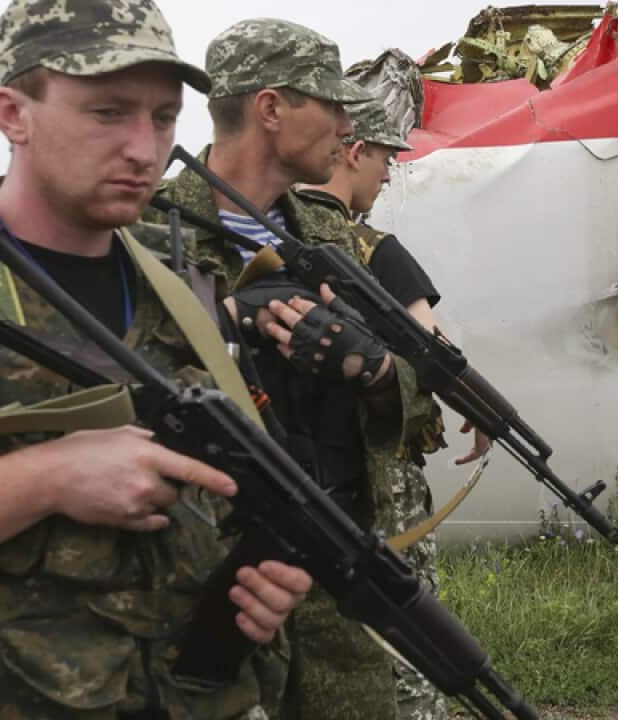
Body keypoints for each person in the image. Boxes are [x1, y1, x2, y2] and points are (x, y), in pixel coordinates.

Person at [0, 2, 310, 718]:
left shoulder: (187, 288)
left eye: (164, 118)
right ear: (12, 113)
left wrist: (259, 583)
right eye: (108, 112)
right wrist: (43, 479)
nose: (144, 147)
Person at [145, 19, 446, 720]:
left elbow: (420, 407)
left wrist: (373, 371)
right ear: (272, 109)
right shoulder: (151, 236)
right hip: (213, 602)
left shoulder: (331, 240)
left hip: (338, 590)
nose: (350, 124)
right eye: (332, 105)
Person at [291, 96, 501, 720]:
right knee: (408, 624)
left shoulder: (272, 231)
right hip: (381, 470)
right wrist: (481, 409)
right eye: (384, 158)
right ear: (353, 152)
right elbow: (430, 348)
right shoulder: (374, 249)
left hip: (300, 471)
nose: (388, 174)